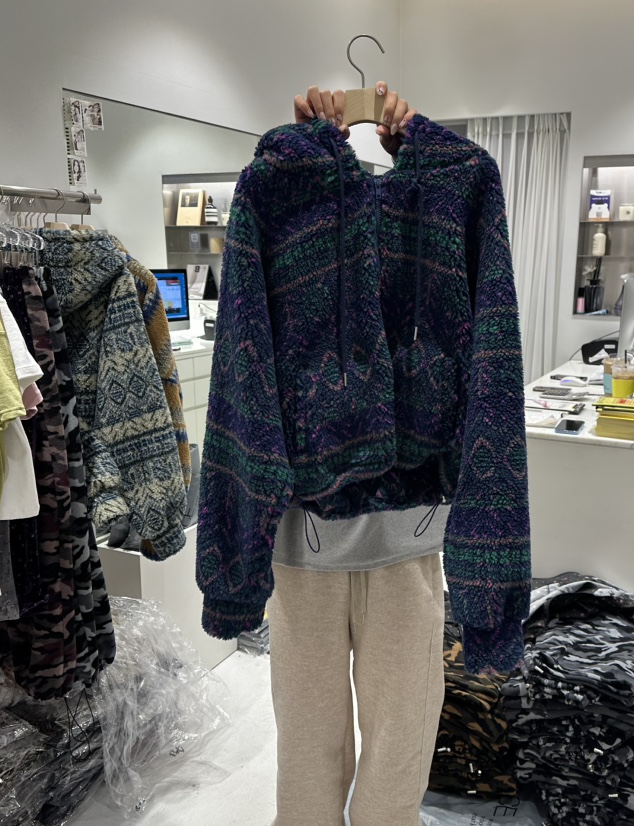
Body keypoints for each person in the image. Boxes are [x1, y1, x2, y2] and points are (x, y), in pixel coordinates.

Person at [267, 83, 439, 826]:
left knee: (400, 752)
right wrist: (303, 166)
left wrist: (415, 158)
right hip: (304, 530)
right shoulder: (280, 199)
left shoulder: (438, 204)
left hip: (406, 532)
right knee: (306, 756)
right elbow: (250, 352)